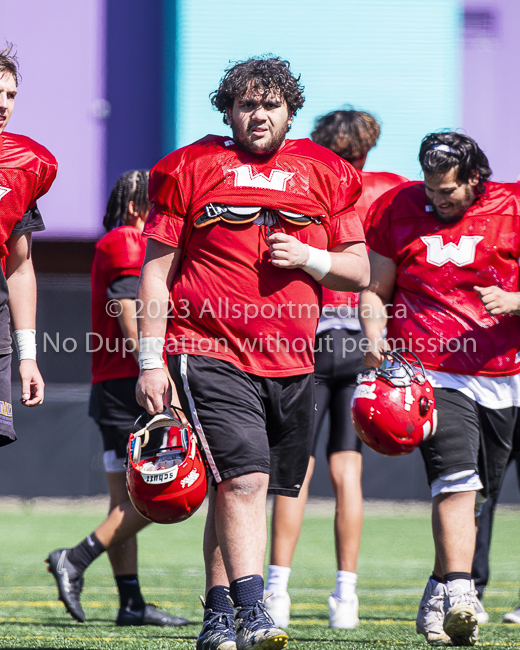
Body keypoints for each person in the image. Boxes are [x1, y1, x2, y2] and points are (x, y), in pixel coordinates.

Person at [135, 56, 370, 650]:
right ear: (229, 110)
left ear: (291, 109)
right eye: (246, 104)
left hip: (293, 360)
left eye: (270, 104)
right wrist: (150, 360)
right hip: (206, 348)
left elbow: (360, 269)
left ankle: (216, 619)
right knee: (244, 481)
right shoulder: (190, 166)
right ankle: (254, 612)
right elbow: (156, 275)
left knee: (238, 488)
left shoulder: (327, 172)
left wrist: (311, 259)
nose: (258, 114)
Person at [360, 132, 520, 646]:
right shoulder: (398, 207)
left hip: (502, 373)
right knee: (456, 478)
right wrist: (373, 337)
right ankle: (460, 590)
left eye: (447, 191)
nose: (436, 200)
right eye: (430, 190)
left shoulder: (512, 206)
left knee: (478, 495)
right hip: (430, 369)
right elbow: (375, 287)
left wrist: (515, 299)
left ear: (476, 178)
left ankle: (437, 588)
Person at [265, 109, 407, 629]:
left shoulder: (309, 184)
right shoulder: (391, 192)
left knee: (293, 474)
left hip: (308, 338)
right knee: (348, 472)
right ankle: (344, 596)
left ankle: (276, 589)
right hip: (363, 341)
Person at [45, 171, 189, 629]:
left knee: (124, 501)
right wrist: (156, 369)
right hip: (133, 385)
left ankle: (130, 602)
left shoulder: (113, 241)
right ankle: (76, 556)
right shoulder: (129, 240)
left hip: (111, 385)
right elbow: (129, 310)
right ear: (137, 207)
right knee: (164, 491)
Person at [0, 44, 56, 439]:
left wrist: (28, 356)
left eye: (11, 94)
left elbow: (19, 269)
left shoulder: (24, 166)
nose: (4, 104)